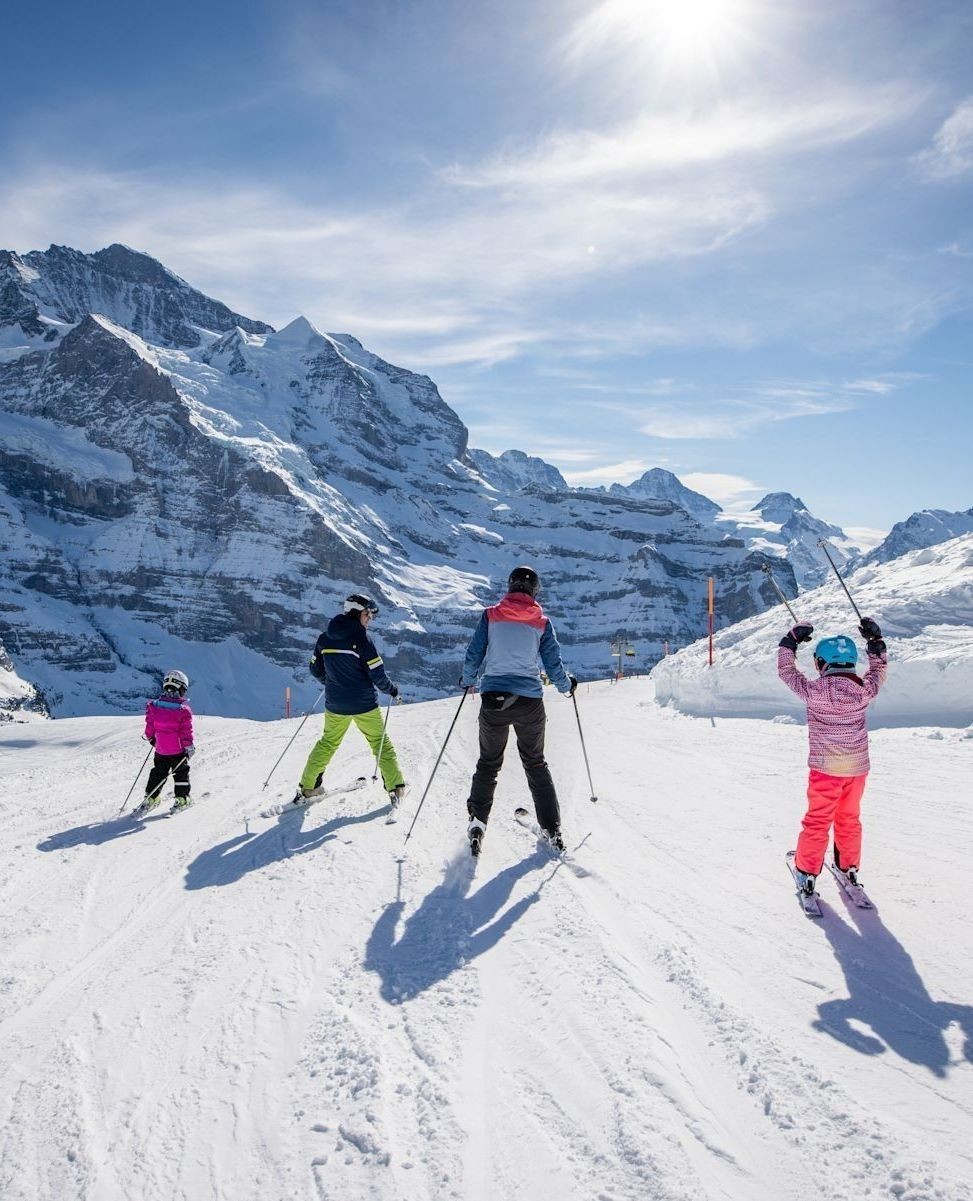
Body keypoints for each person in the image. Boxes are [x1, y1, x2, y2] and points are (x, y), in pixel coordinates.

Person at [460, 565, 577, 857]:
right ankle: (552, 829)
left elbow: (475, 653)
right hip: (529, 703)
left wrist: (467, 679)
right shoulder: (542, 621)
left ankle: (477, 824)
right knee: (535, 763)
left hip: (494, 701)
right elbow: (552, 664)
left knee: (488, 763)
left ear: (510, 587)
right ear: (534, 591)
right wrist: (566, 686)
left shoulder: (490, 615)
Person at [777, 617, 888, 895]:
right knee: (849, 817)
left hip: (825, 770)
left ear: (820, 664)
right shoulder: (864, 691)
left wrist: (791, 640)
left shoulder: (813, 692)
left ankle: (807, 873)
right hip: (857, 770)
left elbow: (785, 670)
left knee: (818, 819)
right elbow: (879, 669)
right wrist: (875, 643)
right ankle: (848, 867)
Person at [296, 594, 406, 808]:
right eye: (368, 614)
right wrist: (392, 690)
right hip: (364, 704)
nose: (370, 619)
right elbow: (377, 674)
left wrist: (330, 681)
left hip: (335, 703)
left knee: (327, 743)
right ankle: (395, 788)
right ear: (358, 613)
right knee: (380, 743)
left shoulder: (324, 638)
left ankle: (308, 787)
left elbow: (314, 668)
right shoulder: (362, 639)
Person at [139, 669, 196, 814]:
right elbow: (185, 732)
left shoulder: (154, 706)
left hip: (160, 749)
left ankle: (151, 798)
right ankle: (182, 799)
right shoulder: (183, 710)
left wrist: (152, 739)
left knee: (158, 773)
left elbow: (149, 727)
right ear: (181, 689)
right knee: (181, 773)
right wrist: (189, 747)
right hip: (178, 750)